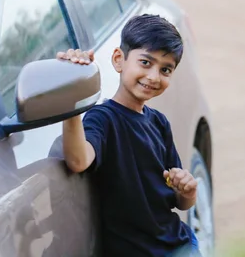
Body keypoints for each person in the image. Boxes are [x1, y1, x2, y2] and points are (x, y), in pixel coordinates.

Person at [58, 14, 201, 257]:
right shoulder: (102, 119)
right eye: (145, 62)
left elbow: (179, 201)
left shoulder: (158, 122)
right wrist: (72, 95)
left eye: (165, 69)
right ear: (118, 60)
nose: (154, 76)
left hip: (180, 247)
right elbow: (78, 160)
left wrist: (188, 192)